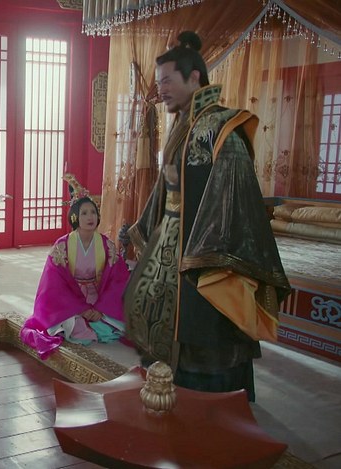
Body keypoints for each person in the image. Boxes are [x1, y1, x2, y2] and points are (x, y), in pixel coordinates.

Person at [124, 31, 290, 401]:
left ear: (194, 77)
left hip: (207, 249)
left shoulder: (222, 128)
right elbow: (167, 187)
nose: (161, 89)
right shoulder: (182, 125)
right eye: (159, 82)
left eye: (168, 80)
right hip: (172, 244)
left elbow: (235, 195)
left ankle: (214, 406)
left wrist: (204, 249)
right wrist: (143, 228)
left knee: (204, 331)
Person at [20, 175, 130, 359]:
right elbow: (54, 284)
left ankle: (97, 318)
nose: (90, 217)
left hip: (98, 298)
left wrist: (100, 308)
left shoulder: (106, 245)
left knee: (110, 321)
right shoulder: (62, 246)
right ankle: (81, 320)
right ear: (75, 217)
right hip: (70, 298)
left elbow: (117, 280)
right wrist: (79, 308)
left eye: (93, 212)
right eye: (84, 213)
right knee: (71, 323)